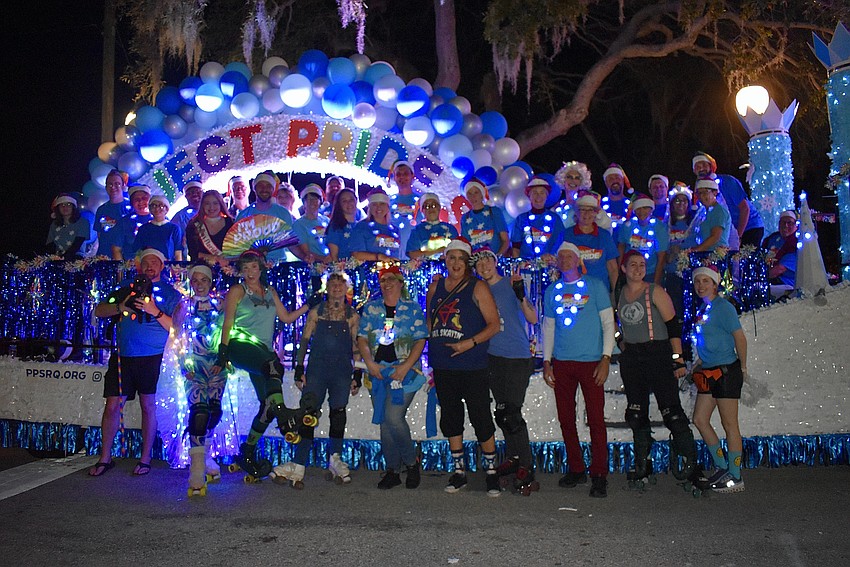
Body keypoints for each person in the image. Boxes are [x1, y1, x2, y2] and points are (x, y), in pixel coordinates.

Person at [215, 250, 313, 478]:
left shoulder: (270, 292)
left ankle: (247, 452)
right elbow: (228, 321)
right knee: (273, 366)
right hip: (240, 344)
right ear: (240, 271)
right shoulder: (238, 291)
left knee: (267, 405)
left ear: (261, 269)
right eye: (245, 268)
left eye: (254, 267)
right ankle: (286, 417)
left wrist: (309, 305)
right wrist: (223, 350)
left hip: (263, 352)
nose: (250, 272)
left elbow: (287, 318)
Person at [616, 251, 708, 491]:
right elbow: (613, 325)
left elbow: (673, 325)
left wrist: (677, 360)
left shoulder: (654, 291)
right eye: (633, 265)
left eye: (642, 265)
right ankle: (643, 465)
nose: (638, 269)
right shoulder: (618, 293)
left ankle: (691, 466)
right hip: (632, 357)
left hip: (658, 354)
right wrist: (621, 342)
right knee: (636, 414)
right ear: (623, 269)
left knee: (672, 413)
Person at [88, 248, 181, 477]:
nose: (150, 266)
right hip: (123, 357)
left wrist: (154, 310)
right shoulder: (126, 288)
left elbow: (176, 328)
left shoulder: (171, 294)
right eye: (146, 263)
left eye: (154, 262)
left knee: (148, 406)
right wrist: (122, 306)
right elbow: (99, 310)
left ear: (161, 266)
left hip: (152, 358)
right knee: (112, 406)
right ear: (139, 266)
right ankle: (105, 457)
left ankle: (145, 458)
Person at [426, 238, 501, 495]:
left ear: (466, 261)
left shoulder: (477, 287)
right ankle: (459, 471)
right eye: (451, 257)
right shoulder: (435, 286)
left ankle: (491, 472)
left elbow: (494, 325)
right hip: (443, 364)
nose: (455, 263)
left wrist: (470, 343)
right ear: (445, 259)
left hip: (472, 363)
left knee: (480, 415)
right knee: (450, 416)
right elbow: (430, 322)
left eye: (460, 258)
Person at [273, 272, 362, 488]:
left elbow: (356, 346)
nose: (336, 289)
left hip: (341, 371)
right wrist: (299, 368)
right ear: (327, 288)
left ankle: (335, 457)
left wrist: (357, 374)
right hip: (317, 370)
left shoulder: (352, 316)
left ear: (346, 289)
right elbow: (304, 340)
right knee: (308, 413)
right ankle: (300, 461)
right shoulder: (316, 312)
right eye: (332, 285)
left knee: (338, 411)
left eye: (340, 285)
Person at [542, 242, 615, 498]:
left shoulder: (595, 286)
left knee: (596, 420)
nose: (564, 261)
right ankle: (576, 467)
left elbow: (608, 324)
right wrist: (547, 360)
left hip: (592, 362)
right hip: (563, 363)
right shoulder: (552, 290)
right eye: (560, 257)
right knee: (566, 419)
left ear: (577, 259)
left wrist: (606, 358)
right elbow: (548, 328)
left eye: (569, 256)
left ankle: (599, 473)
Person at [473, 248, 539, 494]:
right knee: (502, 413)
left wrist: (521, 295)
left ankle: (526, 465)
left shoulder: (511, 284)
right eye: (478, 264)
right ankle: (513, 458)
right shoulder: (478, 290)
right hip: (492, 356)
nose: (484, 267)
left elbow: (532, 318)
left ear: (495, 262)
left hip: (516, 355)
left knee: (511, 413)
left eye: (487, 261)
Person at [358, 266, 428, 489]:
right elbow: (362, 338)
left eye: (391, 279)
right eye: (382, 280)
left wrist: (406, 366)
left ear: (400, 282)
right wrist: (369, 363)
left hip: (405, 372)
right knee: (384, 422)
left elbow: (420, 340)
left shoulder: (413, 308)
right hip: (378, 372)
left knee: (393, 417)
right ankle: (392, 469)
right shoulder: (370, 309)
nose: (386, 283)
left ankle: (411, 463)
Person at [690, 265, 748, 493]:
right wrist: (699, 362)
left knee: (729, 424)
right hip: (708, 372)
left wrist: (742, 367)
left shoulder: (724, 308)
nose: (701, 286)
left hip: (726, 372)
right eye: (697, 282)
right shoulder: (704, 309)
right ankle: (722, 466)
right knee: (700, 419)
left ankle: (735, 476)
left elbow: (740, 339)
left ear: (715, 284)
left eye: (706, 281)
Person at [173, 264, 227, 496]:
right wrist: (184, 362)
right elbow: (177, 334)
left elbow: (230, 330)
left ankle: (206, 454)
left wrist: (224, 359)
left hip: (216, 365)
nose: (199, 284)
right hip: (194, 367)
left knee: (214, 410)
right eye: (194, 280)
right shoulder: (184, 305)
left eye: (203, 279)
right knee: (199, 410)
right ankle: (196, 470)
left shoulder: (221, 304)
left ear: (210, 281)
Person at [693, 152, 764, 247]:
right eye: (698, 166)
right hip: (727, 232)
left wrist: (738, 236)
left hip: (749, 227)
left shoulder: (727, 182)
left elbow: (744, 208)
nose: (701, 168)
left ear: (711, 166)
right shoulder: (699, 192)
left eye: (704, 165)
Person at [561, 192, 619, 292]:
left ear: (596, 213)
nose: (586, 214)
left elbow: (612, 268)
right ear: (576, 212)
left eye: (590, 210)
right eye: (583, 210)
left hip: (600, 291)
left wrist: (615, 293)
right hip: (573, 291)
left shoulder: (604, 235)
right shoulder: (566, 235)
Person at [236, 172, 297, 263]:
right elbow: (238, 246)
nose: (264, 189)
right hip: (252, 267)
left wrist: (305, 257)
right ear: (254, 188)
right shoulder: (243, 215)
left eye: (268, 186)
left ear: (273, 190)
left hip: (279, 264)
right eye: (260, 185)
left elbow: (291, 243)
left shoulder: (283, 213)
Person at [510, 176, 566, 261]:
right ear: (529, 196)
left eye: (542, 192)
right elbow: (515, 248)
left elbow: (560, 243)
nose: (538, 196)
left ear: (547, 196)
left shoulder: (555, 219)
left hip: (549, 265)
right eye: (535, 193)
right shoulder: (521, 219)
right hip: (526, 267)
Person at [617, 195, 669, 285]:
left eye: (645, 208)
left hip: (650, 273)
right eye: (638, 208)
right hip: (630, 272)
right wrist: (619, 272)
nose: (641, 212)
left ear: (651, 209)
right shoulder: (627, 226)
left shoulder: (659, 227)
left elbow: (661, 257)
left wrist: (655, 283)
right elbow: (621, 247)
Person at [663, 184, 697, 325]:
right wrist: (669, 255)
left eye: (684, 200)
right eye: (677, 200)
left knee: (692, 309)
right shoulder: (665, 225)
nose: (681, 204)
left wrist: (683, 249)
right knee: (676, 312)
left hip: (691, 273)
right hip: (672, 275)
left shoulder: (696, 223)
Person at [460, 179, 509, 255]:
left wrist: (497, 257)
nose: (473, 196)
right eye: (469, 193)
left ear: (481, 194)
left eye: (476, 192)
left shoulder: (494, 211)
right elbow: (465, 245)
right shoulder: (465, 218)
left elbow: (505, 240)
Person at [186, 190, 235, 266]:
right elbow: (193, 252)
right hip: (202, 270)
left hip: (228, 269)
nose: (211, 207)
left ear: (221, 204)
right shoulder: (193, 226)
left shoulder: (231, 223)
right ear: (202, 205)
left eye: (215, 203)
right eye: (207, 203)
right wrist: (214, 258)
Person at [350, 190, 402, 261]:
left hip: (393, 269)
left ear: (387, 207)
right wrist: (379, 257)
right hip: (370, 270)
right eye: (374, 204)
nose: (378, 208)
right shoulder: (361, 227)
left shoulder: (395, 230)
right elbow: (356, 254)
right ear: (369, 207)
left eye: (382, 204)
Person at [405, 192, 458, 259]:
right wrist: (438, 251)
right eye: (427, 206)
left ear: (439, 208)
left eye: (434, 205)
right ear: (422, 211)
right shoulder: (417, 230)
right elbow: (413, 254)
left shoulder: (450, 229)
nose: (431, 209)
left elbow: (458, 252)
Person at [94, 169, 132, 257]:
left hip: (127, 259)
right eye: (110, 184)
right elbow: (100, 235)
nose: (113, 187)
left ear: (123, 185)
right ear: (106, 187)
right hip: (104, 258)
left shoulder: (131, 208)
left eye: (117, 184)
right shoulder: (101, 210)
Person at [134, 194, 183, 261]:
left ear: (166, 209)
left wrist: (178, 267)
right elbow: (137, 251)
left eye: (161, 206)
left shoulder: (174, 228)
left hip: (167, 265)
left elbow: (178, 252)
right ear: (150, 209)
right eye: (154, 206)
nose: (157, 209)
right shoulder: (143, 229)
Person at [46, 193, 94, 259]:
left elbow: (78, 243)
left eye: (68, 204)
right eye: (62, 205)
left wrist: (64, 258)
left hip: (76, 260)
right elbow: (50, 244)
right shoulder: (54, 224)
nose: (65, 207)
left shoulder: (83, 222)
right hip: (57, 258)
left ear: (73, 207)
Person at [112, 184, 153, 260]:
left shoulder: (161, 219)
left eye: (144, 198)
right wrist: (123, 269)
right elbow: (116, 250)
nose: (140, 201)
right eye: (136, 199)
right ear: (132, 203)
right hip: (132, 265)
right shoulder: (124, 222)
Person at [690, 179, 731, 254]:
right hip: (708, 255)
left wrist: (695, 251)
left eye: (705, 192)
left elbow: (715, 237)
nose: (701, 196)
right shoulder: (706, 212)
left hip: (716, 255)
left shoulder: (719, 211)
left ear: (714, 193)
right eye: (699, 193)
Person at [292, 183, 331, 263]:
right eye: (308, 199)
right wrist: (324, 259)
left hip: (331, 263)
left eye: (315, 199)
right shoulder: (298, 224)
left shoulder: (326, 220)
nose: (312, 202)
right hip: (314, 266)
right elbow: (305, 251)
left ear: (320, 202)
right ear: (304, 203)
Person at [389, 160, 418, 257]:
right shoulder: (388, 201)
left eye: (405, 174)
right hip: (392, 256)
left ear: (412, 176)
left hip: (415, 255)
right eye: (398, 174)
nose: (402, 177)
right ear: (394, 178)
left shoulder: (421, 201)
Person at [761, 210, 798, 288]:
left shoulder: (796, 243)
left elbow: (779, 269)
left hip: (787, 283)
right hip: (769, 276)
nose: (786, 225)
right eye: (783, 222)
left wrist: (759, 278)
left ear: (796, 226)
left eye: (790, 223)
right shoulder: (772, 238)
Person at [553, 161, 592, 228]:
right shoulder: (558, 206)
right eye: (569, 177)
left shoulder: (585, 204)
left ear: (581, 182)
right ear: (563, 180)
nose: (573, 180)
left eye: (577, 178)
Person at [326, 188, 361, 261]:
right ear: (339, 204)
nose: (349, 203)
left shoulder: (361, 226)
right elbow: (334, 257)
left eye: (351, 199)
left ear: (356, 201)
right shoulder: (335, 227)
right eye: (344, 201)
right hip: (343, 270)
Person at [170, 180, 204, 255]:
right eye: (190, 193)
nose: (195, 194)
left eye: (197, 191)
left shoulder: (212, 210)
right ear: (186, 196)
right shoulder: (179, 217)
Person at [601, 163, 631, 236]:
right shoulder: (599, 205)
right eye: (610, 178)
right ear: (606, 182)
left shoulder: (632, 205)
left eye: (617, 178)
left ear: (622, 180)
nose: (615, 181)